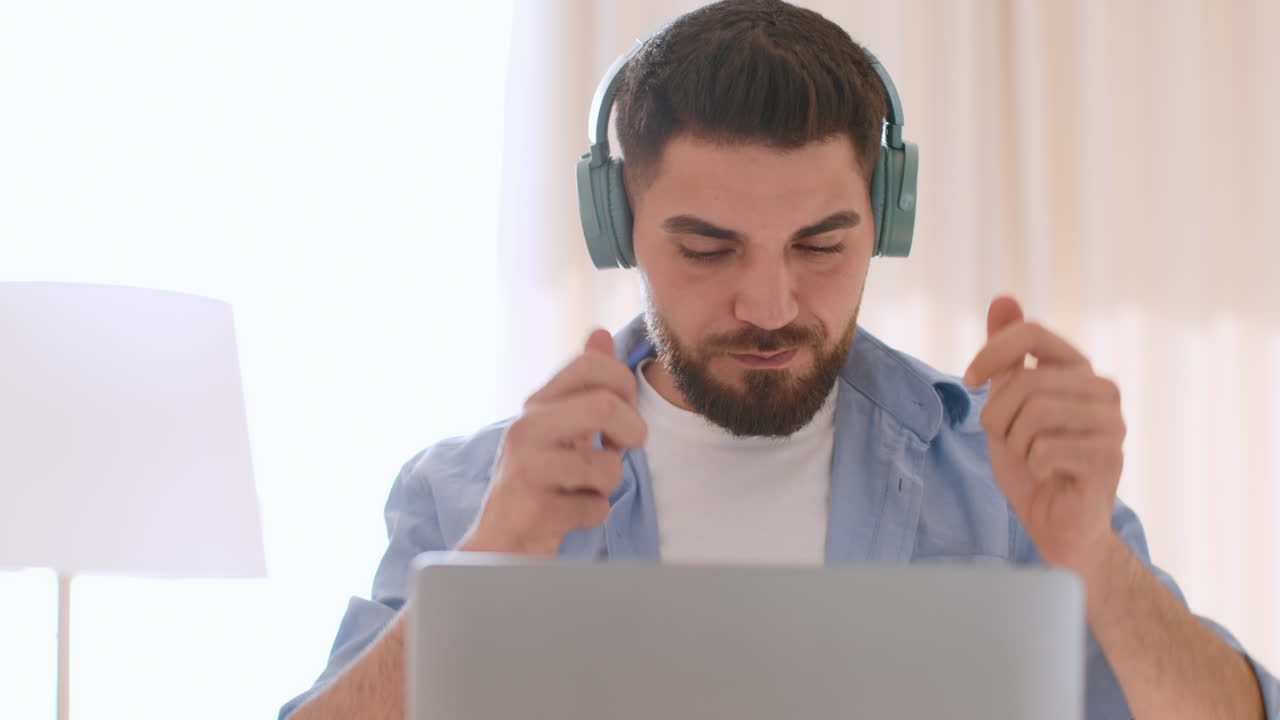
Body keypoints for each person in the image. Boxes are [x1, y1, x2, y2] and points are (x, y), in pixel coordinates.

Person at [280, 1, 1279, 718]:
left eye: (819, 245)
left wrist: (1092, 560)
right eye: (706, 249)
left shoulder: (1005, 481)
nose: (768, 304)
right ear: (618, 221)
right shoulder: (469, 498)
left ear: (883, 220)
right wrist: (489, 561)